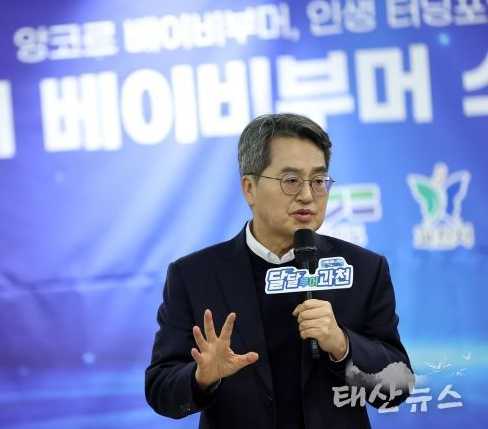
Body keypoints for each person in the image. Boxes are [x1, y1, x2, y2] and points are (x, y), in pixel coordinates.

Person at [145, 113, 413, 428]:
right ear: (249, 188)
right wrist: (201, 378)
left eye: (318, 181)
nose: (307, 195)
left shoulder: (363, 269)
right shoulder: (194, 276)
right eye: (291, 181)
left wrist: (343, 346)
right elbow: (160, 388)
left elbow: (397, 387)